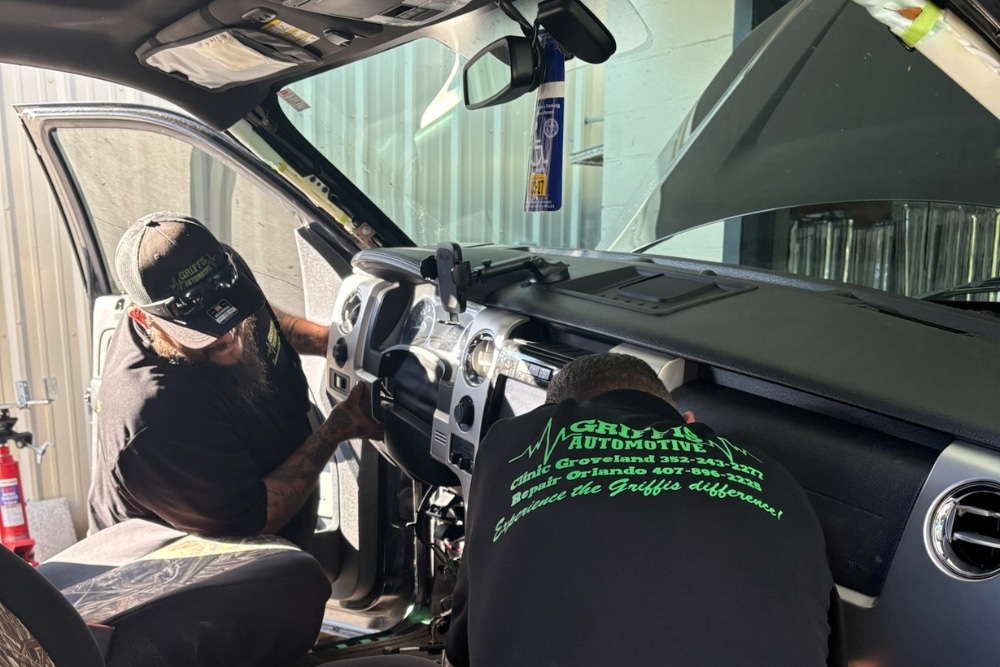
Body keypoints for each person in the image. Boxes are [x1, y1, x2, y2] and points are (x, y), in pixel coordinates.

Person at [444, 352, 846, 667]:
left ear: (550, 415)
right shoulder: (771, 474)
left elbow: (462, 647)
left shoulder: (514, 445)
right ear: (687, 421)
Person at [88, 211, 382, 551]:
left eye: (231, 312)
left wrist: (326, 340)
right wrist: (335, 431)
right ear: (143, 316)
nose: (228, 335)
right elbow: (257, 516)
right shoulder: (153, 414)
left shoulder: (223, 275)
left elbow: (265, 320)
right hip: (184, 579)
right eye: (201, 331)